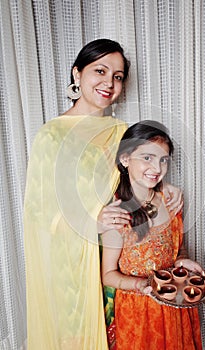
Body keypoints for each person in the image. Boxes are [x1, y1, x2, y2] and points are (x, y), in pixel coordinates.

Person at [23, 39, 183, 350]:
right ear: (77, 74)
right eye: (100, 70)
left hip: (118, 259)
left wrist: (165, 187)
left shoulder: (119, 131)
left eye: (118, 76)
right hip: (72, 265)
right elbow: (39, 215)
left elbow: (134, 174)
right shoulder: (52, 135)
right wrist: (91, 220)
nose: (109, 83)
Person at [101, 120, 204, 350]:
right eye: (147, 157)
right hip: (139, 314)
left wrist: (182, 260)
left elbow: (178, 249)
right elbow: (108, 274)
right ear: (125, 159)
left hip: (175, 307)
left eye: (163, 159)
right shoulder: (116, 215)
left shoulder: (171, 200)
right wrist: (140, 285)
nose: (157, 168)